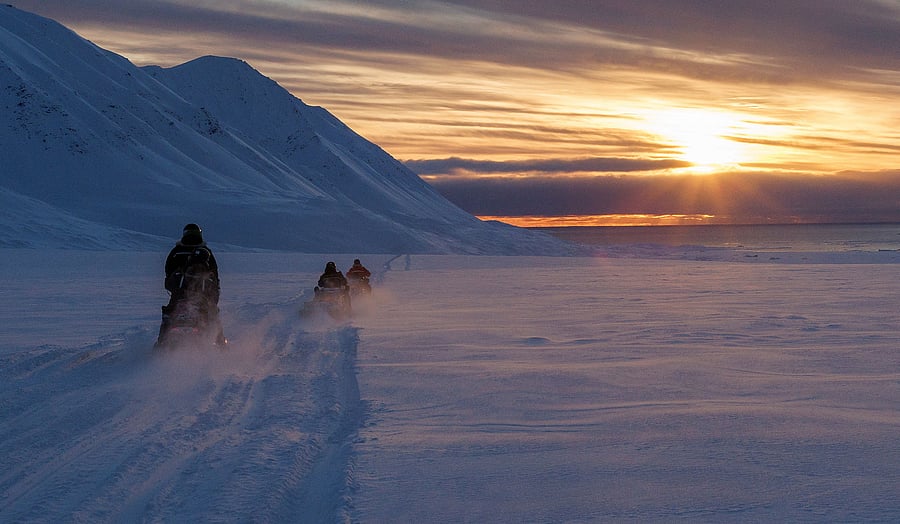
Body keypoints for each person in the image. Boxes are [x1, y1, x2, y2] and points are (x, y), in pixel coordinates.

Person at [157, 223, 226, 346]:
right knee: (170, 314)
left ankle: (161, 344)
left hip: (189, 293)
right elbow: (215, 276)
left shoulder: (177, 252)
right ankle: (221, 346)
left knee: (169, 314)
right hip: (189, 293)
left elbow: (168, 272)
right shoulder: (181, 252)